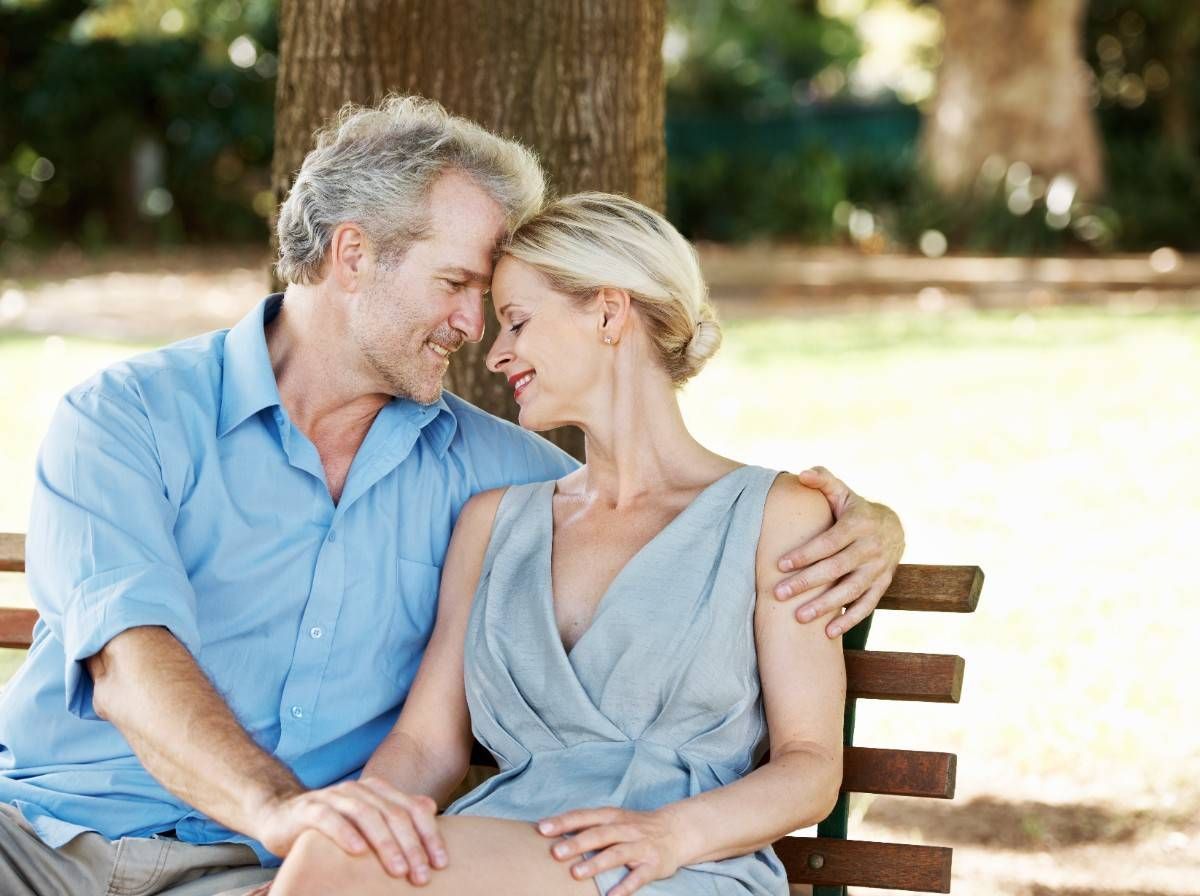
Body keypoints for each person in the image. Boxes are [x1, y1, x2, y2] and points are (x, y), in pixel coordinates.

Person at [0, 97, 902, 896]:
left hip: (264, 872)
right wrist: (294, 817)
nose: (477, 334)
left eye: (501, 307)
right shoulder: (129, 417)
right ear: (353, 255)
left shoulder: (498, 475)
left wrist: (869, 526)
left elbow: (678, 518)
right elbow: (126, 658)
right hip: (38, 836)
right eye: (458, 286)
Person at [261, 192, 848, 896]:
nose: (496, 350)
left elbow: (812, 764)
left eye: (516, 321)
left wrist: (671, 834)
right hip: (508, 852)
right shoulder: (493, 524)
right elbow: (426, 743)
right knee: (333, 855)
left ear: (607, 312)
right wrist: (358, 831)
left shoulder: (776, 517)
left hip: (675, 867)